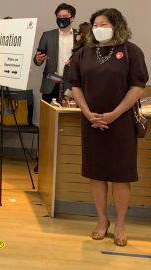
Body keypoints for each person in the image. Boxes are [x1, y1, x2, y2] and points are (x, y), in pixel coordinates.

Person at [70, 8, 149, 247]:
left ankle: (121, 224)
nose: (97, 28)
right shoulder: (84, 53)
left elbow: (138, 86)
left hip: (121, 122)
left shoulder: (131, 51)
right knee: (96, 174)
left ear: (116, 25)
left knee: (120, 175)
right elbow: (75, 85)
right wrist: (86, 112)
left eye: (102, 23)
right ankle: (102, 221)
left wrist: (114, 114)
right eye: (95, 24)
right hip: (92, 122)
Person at [34, 3, 79, 103]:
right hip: (51, 83)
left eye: (65, 16)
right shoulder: (47, 35)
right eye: (59, 16)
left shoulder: (80, 36)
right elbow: (37, 60)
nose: (61, 19)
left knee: (68, 117)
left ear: (73, 18)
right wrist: (38, 59)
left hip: (72, 85)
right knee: (48, 117)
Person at [61, 22, 91, 100]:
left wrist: (68, 96)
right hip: (70, 94)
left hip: (74, 98)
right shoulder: (79, 52)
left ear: (82, 35)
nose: (76, 35)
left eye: (78, 33)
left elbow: (77, 77)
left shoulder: (84, 53)